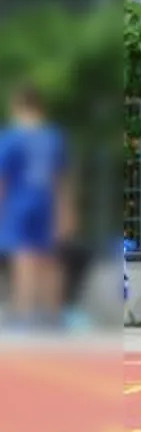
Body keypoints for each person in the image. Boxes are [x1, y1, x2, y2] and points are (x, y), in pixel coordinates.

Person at [0, 84, 69, 325]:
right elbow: (60, 179)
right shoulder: (53, 137)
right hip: (46, 203)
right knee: (49, 258)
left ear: (18, 106)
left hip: (19, 203)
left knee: (24, 258)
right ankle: (52, 314)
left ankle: (25, 315)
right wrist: (65, 213)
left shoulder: (11, 137)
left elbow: (3, 178)